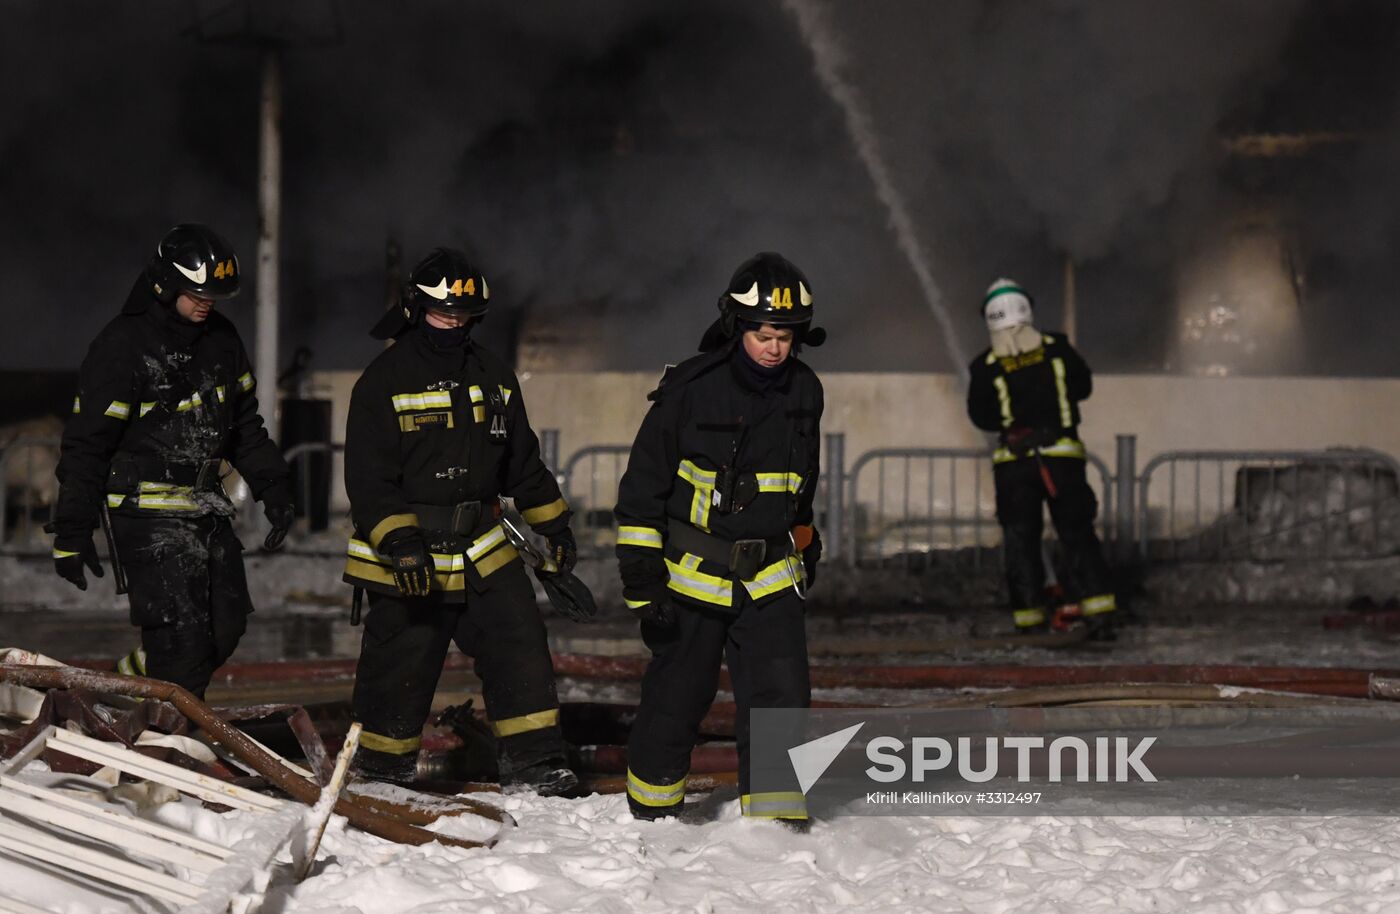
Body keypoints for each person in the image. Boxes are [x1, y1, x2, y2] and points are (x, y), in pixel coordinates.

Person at [342, 247, 581, 794]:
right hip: (410, 553)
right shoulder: (384, 381)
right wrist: (399, 542)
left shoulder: (494, 375)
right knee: (400, 666)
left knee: (519, 643)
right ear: (415, 307)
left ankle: (537, 767)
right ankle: (381, 774)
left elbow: (522, 461)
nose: (454, 321)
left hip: (481, 547)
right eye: (442, 311)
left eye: (464, 314)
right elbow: (369, 479)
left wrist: (555, 525)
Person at [615, 251, 825, 826]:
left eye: (784, 335)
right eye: (762, 333)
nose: (774, 347)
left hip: (771, 577)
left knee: (783, 698)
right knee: (678, 698)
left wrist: (807, 538)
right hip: (691, 577)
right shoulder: (691, 389)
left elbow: (802, 482)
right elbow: (642, 491)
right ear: (738, 327)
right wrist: (642, 582)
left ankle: (777, 820)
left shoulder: (806, 391)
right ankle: (652, 819)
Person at [50, 223, 294, 698]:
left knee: (225, 630)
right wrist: (72, 530)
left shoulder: (222, 341)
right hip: (145, 513)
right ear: (165, 282)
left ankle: (129, 681)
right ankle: (168, 756)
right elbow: (86, 446)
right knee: (182, 646)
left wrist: (276, 488)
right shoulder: (123, 346)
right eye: (196, 292)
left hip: (206, 507)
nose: (207, 302)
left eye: (214, 295)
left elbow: (245, 429)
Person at [966, 278, 1117, 635]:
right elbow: (1083, 386)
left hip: (1013, 466)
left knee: (1020, 540)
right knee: (1076, 533)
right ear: (1026, 308)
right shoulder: (1056, 347)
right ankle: (1097, 609)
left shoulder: (985, 364)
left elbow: (981, 416)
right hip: (1062, 459)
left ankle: (1030, 618)